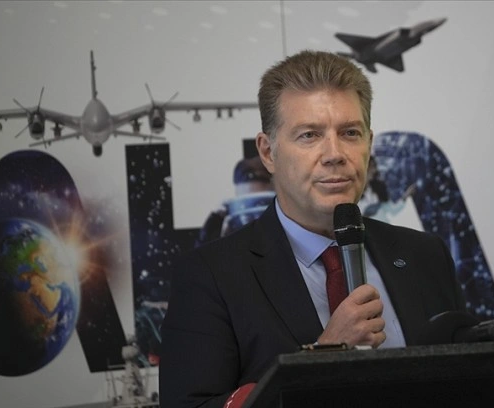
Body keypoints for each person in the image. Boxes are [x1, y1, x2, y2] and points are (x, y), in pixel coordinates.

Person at [160, 50, 466, 408]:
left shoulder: (425, 255)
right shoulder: (210, 276)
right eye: (309, 135)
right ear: (268, 152)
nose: (335, 153)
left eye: (350, 133)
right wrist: (323, 356)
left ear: (369, 144)